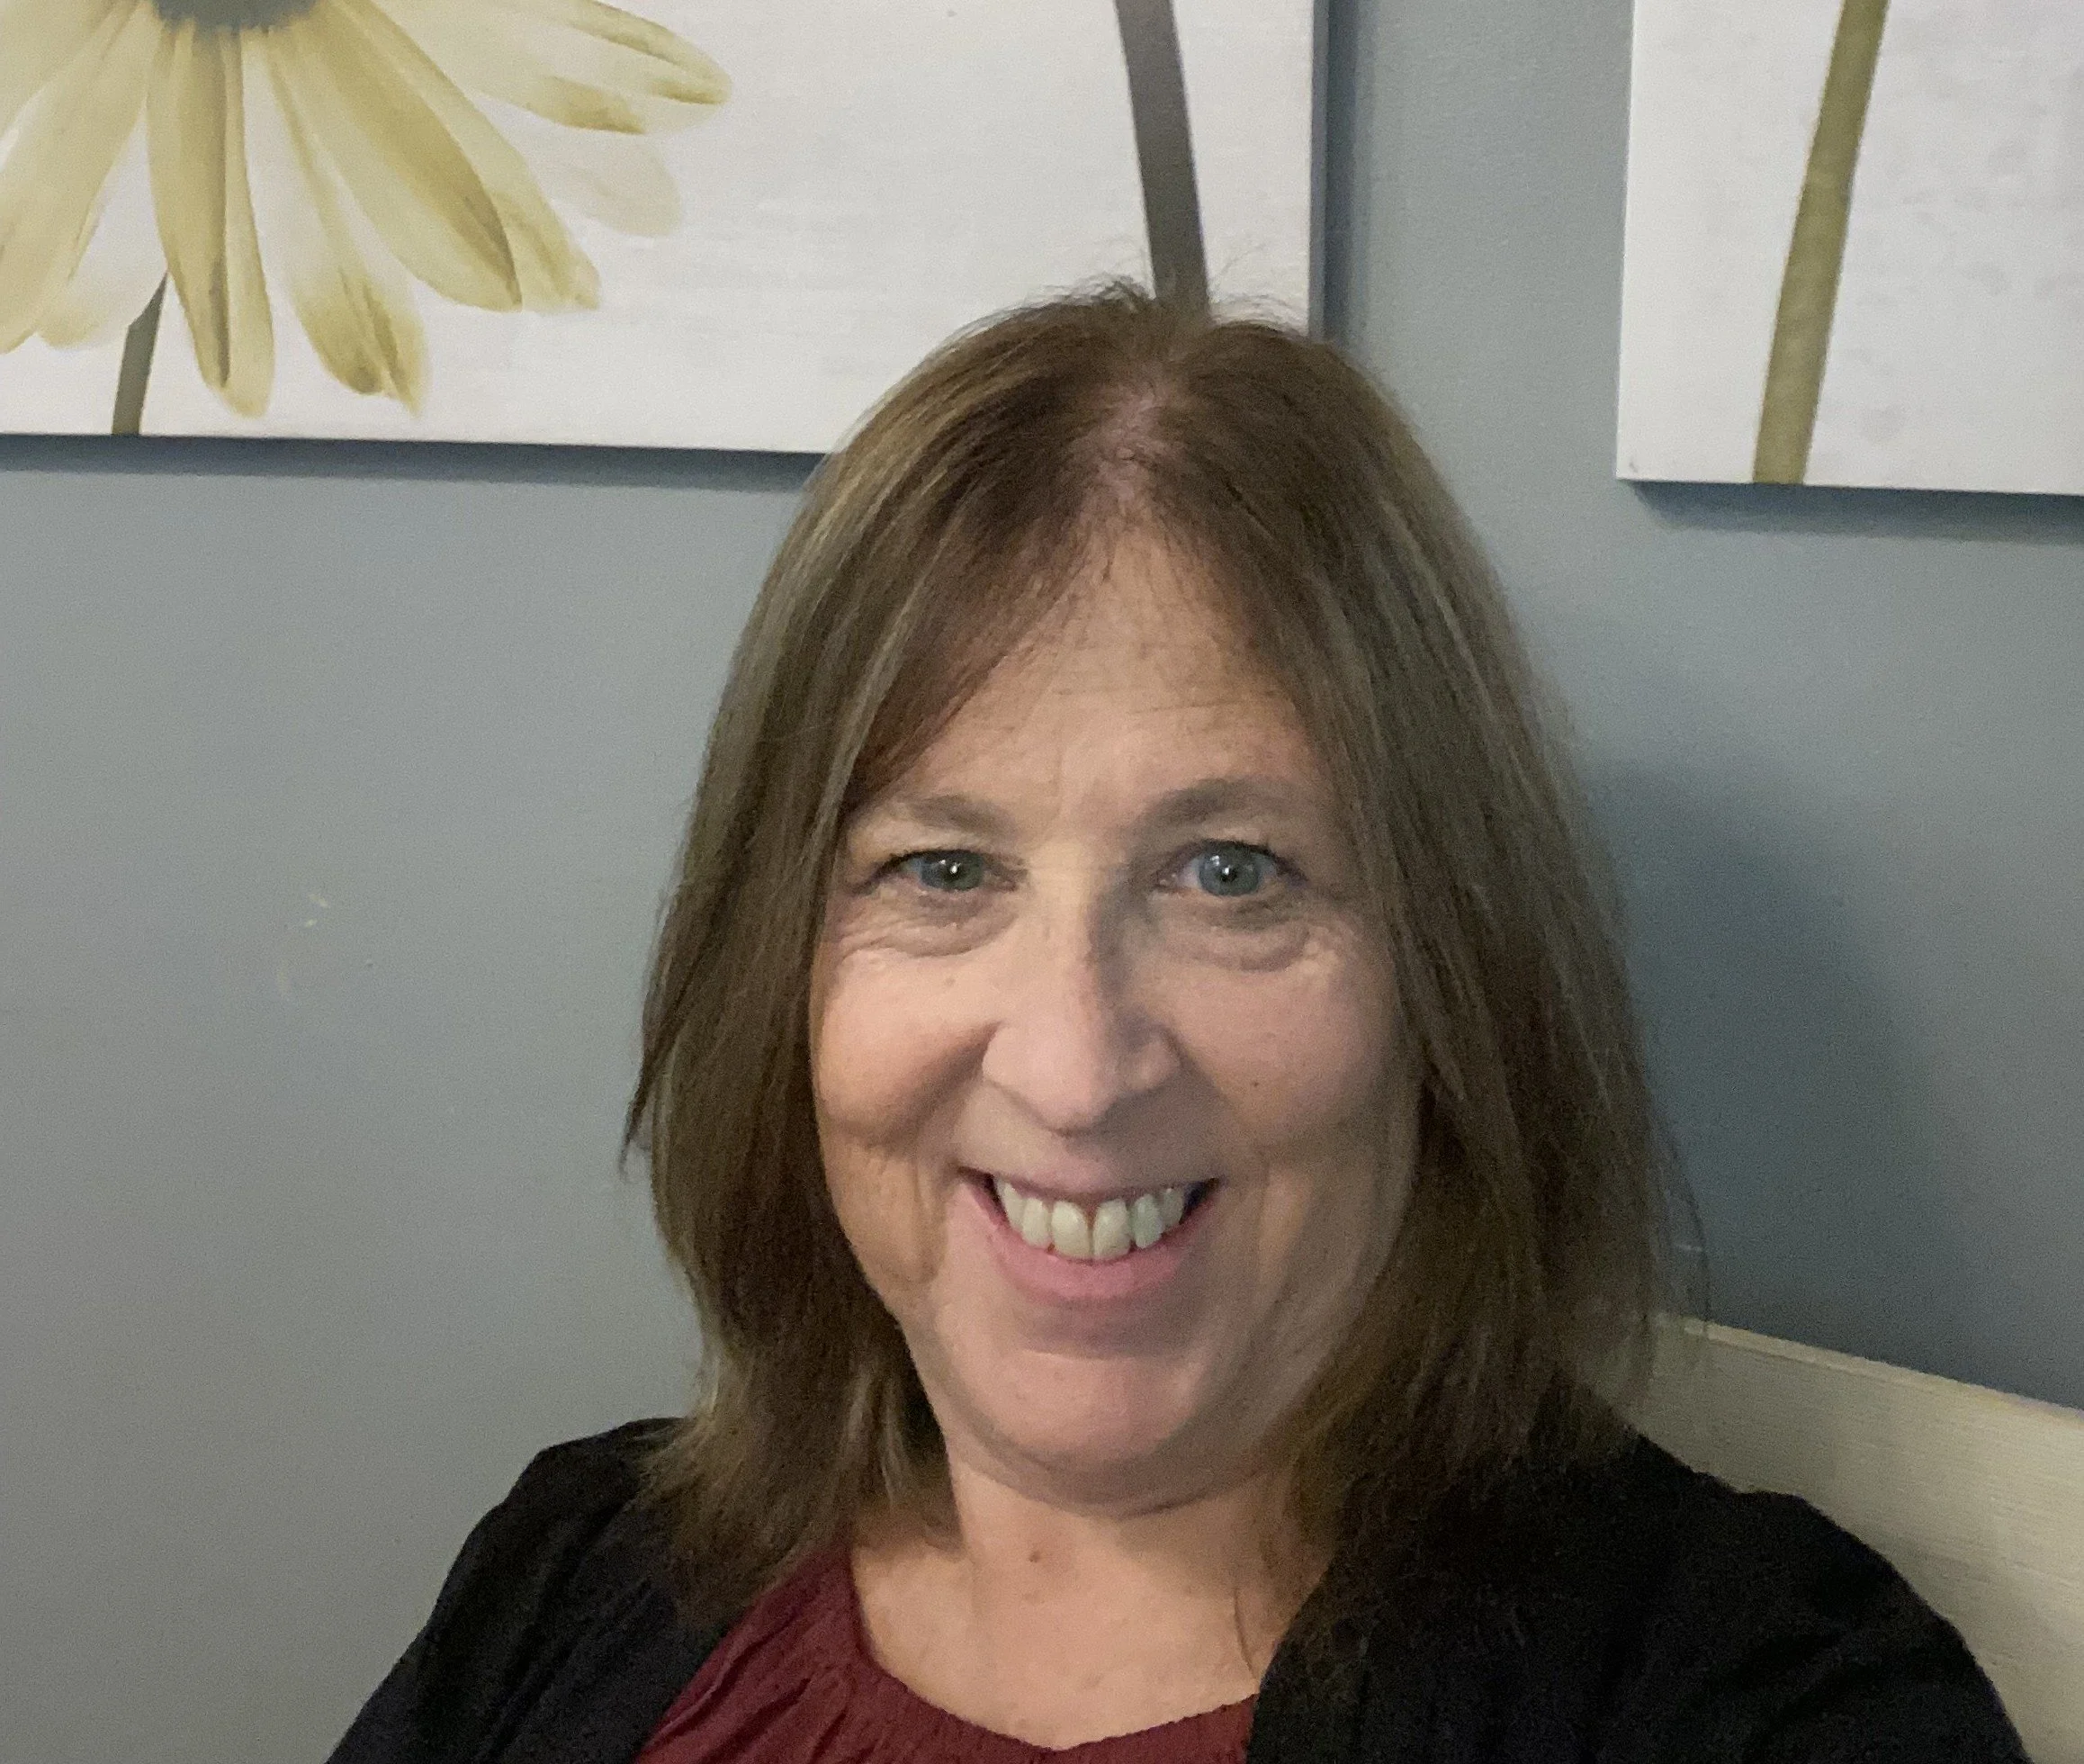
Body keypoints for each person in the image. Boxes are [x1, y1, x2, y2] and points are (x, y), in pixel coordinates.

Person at [327, 286, 2026, 1763]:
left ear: (1453, 977)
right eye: (939, 868)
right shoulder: (576, 1568)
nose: (1073, 1068)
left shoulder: (1752, 1695)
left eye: (1233, 874)